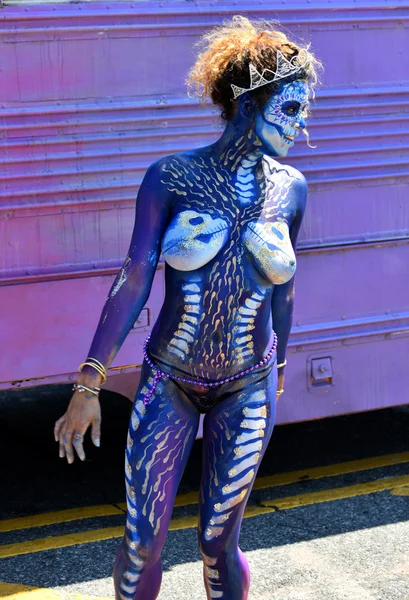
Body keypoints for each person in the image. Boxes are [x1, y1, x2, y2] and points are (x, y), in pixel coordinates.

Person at [54, 15, 321, 600]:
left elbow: (285, 288)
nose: (302, 127)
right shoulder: (171, 177)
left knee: (218, 544)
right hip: (168, 382)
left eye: (305, 110)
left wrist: (276, 375)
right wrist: (89, 383)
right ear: (248, 104)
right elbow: (133, 278)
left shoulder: (293, 189)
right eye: (291, 108)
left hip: (247, 386)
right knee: (143, 539)